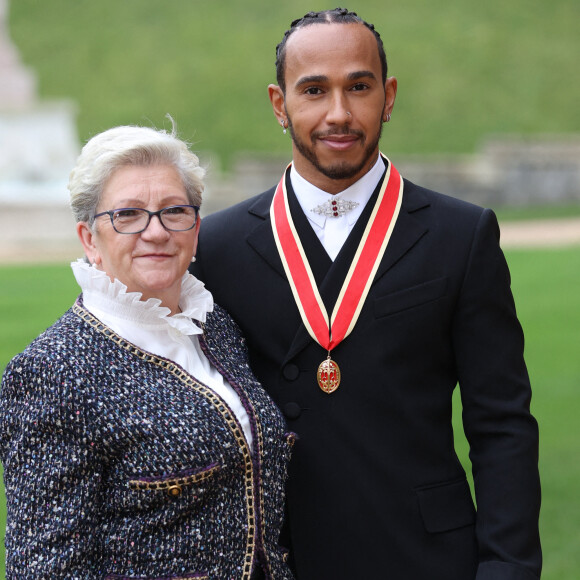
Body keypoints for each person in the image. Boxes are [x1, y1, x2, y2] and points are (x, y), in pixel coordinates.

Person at [190, 8, 541, 580]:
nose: (339, 113)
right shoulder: (218, 246)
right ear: (280, 105)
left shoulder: (461, 234)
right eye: (314, 90)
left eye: (359, 86)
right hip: (279, 561)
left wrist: (507, 568)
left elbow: (501, 423)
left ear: (389, 95)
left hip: (424, 557)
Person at [0, 123, 295, 580]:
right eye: (128, 215)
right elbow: (45, 569)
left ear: (195, 228)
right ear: (89, 239)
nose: (156, 232)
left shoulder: (214, 325)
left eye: (174, 211)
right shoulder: (52, 371)